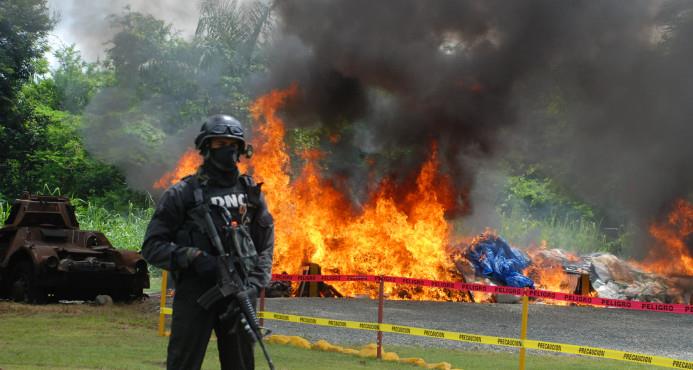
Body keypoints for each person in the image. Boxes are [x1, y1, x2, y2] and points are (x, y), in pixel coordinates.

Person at [142, 114, 274, 370]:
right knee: (183, 363)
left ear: (241, 149)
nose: (226, 149)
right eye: (218, 143)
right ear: (205, 148)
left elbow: (265, 245)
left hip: (240, 293)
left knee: (241, 365)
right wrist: (193, 258)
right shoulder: (183, 194)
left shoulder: (251, 195)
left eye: (232, 144)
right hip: (196, 293)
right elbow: (152, 246)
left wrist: (255, 284)